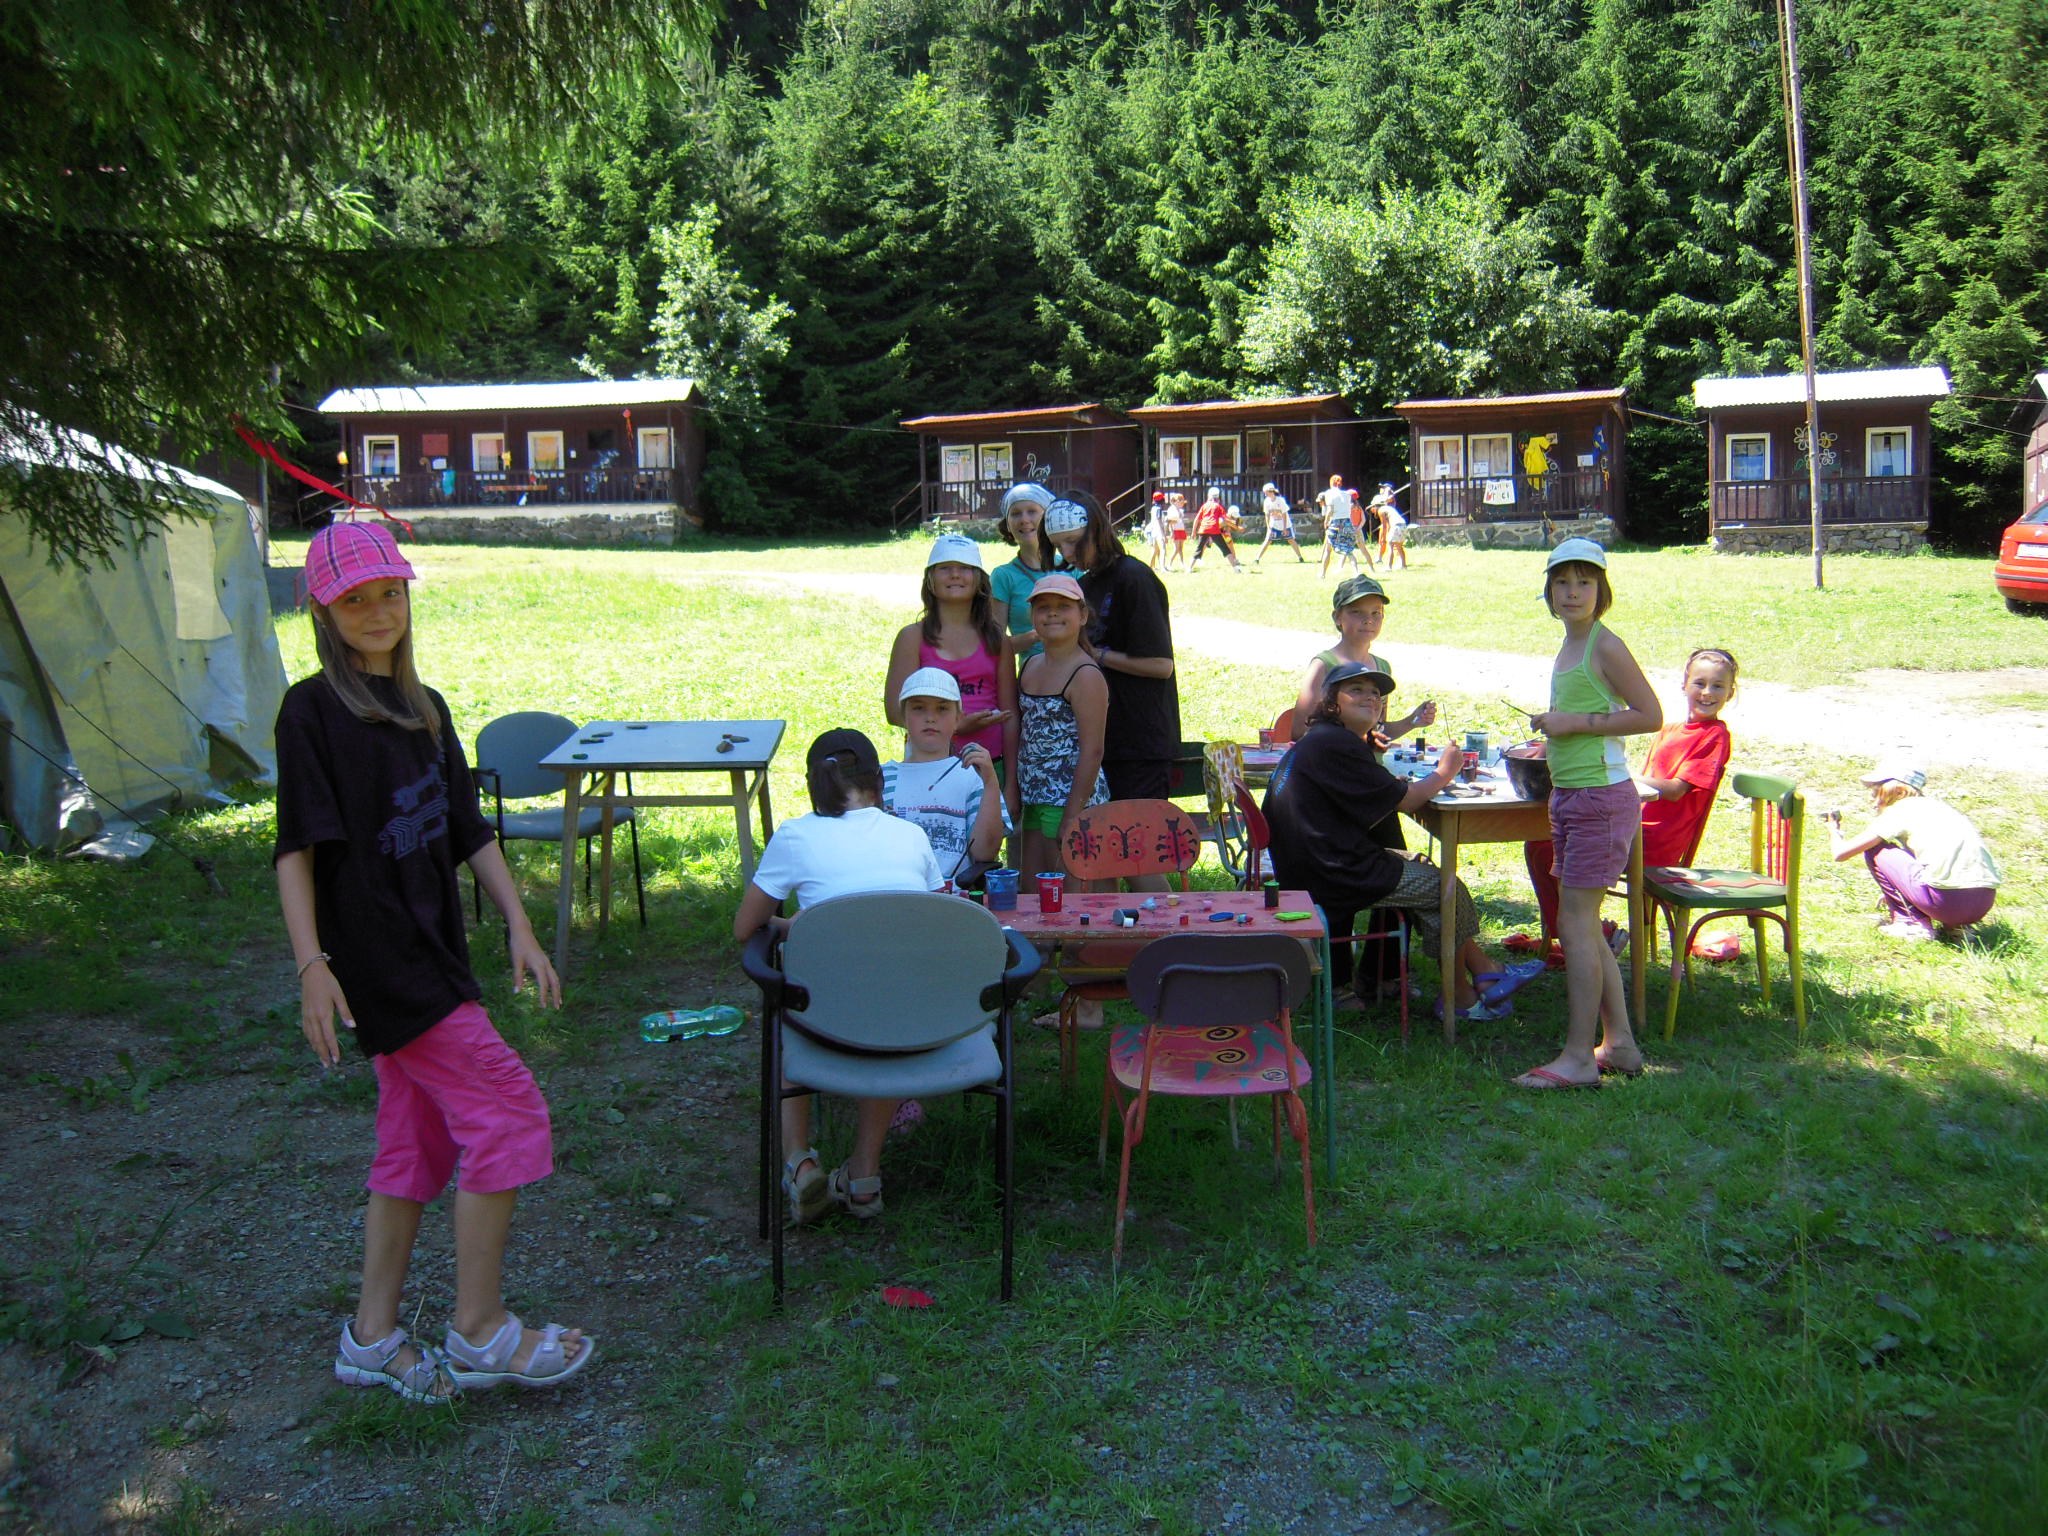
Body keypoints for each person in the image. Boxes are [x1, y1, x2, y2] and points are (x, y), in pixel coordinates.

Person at [274, 521, 590, 1403]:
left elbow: (468, 830)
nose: (378, 612)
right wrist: (311, 966)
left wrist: (520, 926)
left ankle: (371, 1339)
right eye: (355, 600)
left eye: (390, 593)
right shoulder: (310, 712)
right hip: (380, 960)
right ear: (323, 612)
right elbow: (296, 848)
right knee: (510, 1112)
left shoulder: (426, 709)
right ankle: (480, 1330)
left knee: (414, 1141)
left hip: (435, 948)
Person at [734, 730, 946, 1222]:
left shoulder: (795, 836)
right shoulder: (911, 835)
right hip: (917, 1018)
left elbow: (745, 927)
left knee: (790, 1014)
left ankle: (799, 1162)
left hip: (825, 1014)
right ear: (879, 782)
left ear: (814, 785)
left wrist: (795, 925)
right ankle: (864, 1176)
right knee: (887, 1002)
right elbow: (938, 916)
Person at [1262, 662, 1542, 1016]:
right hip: (1331, 871)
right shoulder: (1337, 744)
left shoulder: (1327, 739)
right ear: (1332, 703)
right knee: (1445, 889)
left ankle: (1481, 974)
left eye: (1376, 693)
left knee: (1426, 871)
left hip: (1311, 862)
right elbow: (1407, 800)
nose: (1370, 698)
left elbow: (1374, 796)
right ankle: (1461, 996)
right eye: (1356, 690)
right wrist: (1446, 771)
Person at [1513, 539, 1662, 1090]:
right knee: (1582, 925)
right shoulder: (1571, 643)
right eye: (1562, 582)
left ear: (1602, 591)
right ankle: (1619, 1044)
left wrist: (1574, 723)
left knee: (1575, 925)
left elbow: (1650, 715)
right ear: (1548, 591)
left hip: (1601, 798)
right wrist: (1555, 726)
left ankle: (1578, 1058)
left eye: (1584, 582)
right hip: (1572, 795)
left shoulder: (1605, 644)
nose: (1572, 592)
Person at [1514, 647, 1739, 963]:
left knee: (1547, 848)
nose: (1707, 692)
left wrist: (1625, 777)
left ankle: (1584, 936)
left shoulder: (1715, 736)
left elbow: (1675, 790)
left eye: (1717, 686)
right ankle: (1574, 934)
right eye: (1699, 683)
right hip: (1631, 823)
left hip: (1656, 840)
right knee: (1541, 843)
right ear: (1684, 685)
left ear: (1730, 692)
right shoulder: (1671, 729)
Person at [1039, 491, 1180, 824]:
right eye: (1058, 545)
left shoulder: (1134, 577)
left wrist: (1097, 654)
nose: (1067, 553)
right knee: (1104, 845)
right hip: (1101, 743)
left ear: (1096, 531)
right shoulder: (1086, 583)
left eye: (1072, 541)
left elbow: (1161, 665)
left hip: (1140, 744)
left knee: (1138, 847)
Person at [884, 533, 1017, 781]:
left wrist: (1011, 781)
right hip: (929, 766)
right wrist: (955, 726)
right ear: (930, 580)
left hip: (990, 766)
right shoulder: (912, 637)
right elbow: (894, 711)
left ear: (979, 580)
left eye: (965, 568)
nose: (955, 575)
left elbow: (1010, 716)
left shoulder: (997, 640)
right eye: (945, 568)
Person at [1827, 760, 2002, 940]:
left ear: (1900, 792)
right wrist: (1902, 890)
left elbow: (1841, 853)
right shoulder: (1941, 809)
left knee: (1877, 849)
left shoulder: (1900, 809)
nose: (1871, 799)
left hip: (1946, 902)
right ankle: (1959, 929)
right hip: (1983, 903)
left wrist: (1834, 830)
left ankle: (1912, 925)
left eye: (1875, 791)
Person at [1014, 573, 1110, 893]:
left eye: (1063, 606)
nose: (1052, 612)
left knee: (1070, 893)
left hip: (1069, 798)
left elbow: (1093, 750)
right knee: (1033, 890)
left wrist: (1072, 815)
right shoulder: (1030, 665)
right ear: (1032, 617)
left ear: (1082, 616)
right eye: (1043, 607)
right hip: (1034, 795)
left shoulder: (1085, 675)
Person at [882, 667, 1010, 885]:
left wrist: (990, 783)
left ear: (958, 718)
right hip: (898, 894)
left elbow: (985, 852)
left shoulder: (973, 776)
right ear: (903, 717)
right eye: (919, 708)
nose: (930, 718)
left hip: (954, 899)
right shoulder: (882, 778)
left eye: (942, 709)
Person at [1290, 576, 1436, 746]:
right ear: (1337, 617)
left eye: (1376, 613)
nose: (1368, 620)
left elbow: (1377, 730)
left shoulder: (1382, 668)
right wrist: (1354, 740)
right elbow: (1299, 732)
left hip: (1367, 760)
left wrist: (1412, 721)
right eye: (1356, 612)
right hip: (1336, 761)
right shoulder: (1323, 665)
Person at [989, 483, 1055, 665]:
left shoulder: (1072, 567)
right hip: (1033, 675)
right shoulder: (1003, 577)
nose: (1024, 520)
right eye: (1016, 513)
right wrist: (1036, 635)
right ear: (1008, 524)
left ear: (1048, 517)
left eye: (1032, 511)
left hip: (1077, 672)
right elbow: (994, 646)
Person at [1317, 475, 1362, 578]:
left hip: (1335, 523)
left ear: (1331, 483)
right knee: (1349, 550)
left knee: (1328, 549)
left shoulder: (1329, 494)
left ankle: (1322, 573)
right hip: (1347, 522)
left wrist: (1326, 521)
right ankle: (1356, 573)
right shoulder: (1347, 495)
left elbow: (1330, 510)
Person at [1190, 488, 1239, 571]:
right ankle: (1236, 569)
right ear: (1218, 498)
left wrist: (1193, 532)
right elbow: (1225, 519)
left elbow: (1197, 519)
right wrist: (1235, 525)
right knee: (1225, 549)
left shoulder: (1204, 506)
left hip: (1204, 529)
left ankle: (1189, 569)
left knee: (1198, 549)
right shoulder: (1218, 506)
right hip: (1214, 529)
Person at [1255, 482, 1305, 563]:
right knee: (1268, 540)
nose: (1265, 494)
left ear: (1270, 491)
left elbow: (1284, 514)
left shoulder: (1280, 500)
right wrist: (1269, 528)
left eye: (1266, 492)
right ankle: (1257, 559)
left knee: (1291, 540)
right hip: (1274, 525)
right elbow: (1267, 515)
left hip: (1285, 525)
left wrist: (1284, 528)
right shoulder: (1266, 501)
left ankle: (1300, 557)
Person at [1381, 496, 1409, 569]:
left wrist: (1384, 537)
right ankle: (1404, 566)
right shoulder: (1391, 509)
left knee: (1390, 545)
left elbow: (1384, 526)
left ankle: (1389, 567)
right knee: (1399, 546)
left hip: (1396, 526)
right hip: (1403, 525)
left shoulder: (1381, 510)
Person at [1142, 490, 1168, 570]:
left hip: (1153, 531)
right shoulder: (1159, 509)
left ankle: (1151, 566)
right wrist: (1164, 535)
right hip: (1158, 531)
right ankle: (1163, 568)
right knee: (1163, 549)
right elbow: (1159, 521)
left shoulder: (1153, 508)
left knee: (1155, 550)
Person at [1163, 492, 1189, 571]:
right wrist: (1172, 532)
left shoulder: (1180, 510)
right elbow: (1169, 522)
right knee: (1176, 549)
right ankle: (1169, 563)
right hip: (1175, 530)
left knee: (1181, 548)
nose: (1181, 502)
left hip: (1181, 530)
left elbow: (1181, 521)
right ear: (1175, 501)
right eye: (1179, 501)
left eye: (1182, 501)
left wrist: (1185, 530)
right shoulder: (1171, 509)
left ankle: (1182, 563)